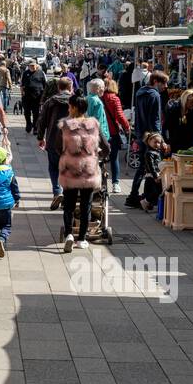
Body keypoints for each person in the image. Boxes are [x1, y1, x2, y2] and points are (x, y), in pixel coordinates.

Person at [59, 94, 108, 253]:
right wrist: (97, 154)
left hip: (70, 171)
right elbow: (107, 147)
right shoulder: (94, 124)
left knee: (69, 205)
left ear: (73, 107)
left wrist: (65, 155)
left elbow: (54, 146)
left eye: (69, 106)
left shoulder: (65, 126)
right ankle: (81, 239)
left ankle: (68, 235)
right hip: (88, 170)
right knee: (86, 205)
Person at [127, 71, 166, 207]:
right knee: (150, 166)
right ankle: (138, 196)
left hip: (141, 132)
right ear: (155, 82)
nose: (165, 86)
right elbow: (155, 118)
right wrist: (159, 138)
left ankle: (137, 195)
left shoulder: (140, 93)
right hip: (151, 135)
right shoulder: (155, 95)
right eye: (163, 83)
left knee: (144, 166)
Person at [36, 77, 74, 210]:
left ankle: (57, 192)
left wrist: (40, 137)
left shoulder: (50, 101)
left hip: (53, 139)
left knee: (54, 167)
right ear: (71, 87)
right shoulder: (76, 101)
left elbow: (42, 120)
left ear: (58, 87)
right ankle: (67, 195)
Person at [100, 76, 130, 194]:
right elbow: (119, 115)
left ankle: (100, 182)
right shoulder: (114, 99)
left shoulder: (99, 98)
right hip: (112, 132)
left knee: (100, 158)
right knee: (114, 158)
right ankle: (115, 184)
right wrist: (127, 126)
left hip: (100, 133)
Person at [135, 132, 170, 211]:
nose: (157, 144)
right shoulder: (149, 153)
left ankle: (149, 204)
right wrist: (155, 176)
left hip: (156, 175)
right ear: (149, 141)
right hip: (151, 176)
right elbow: (151, 166)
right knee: (154, 191)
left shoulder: (157, 152)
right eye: (155, 142)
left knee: (156, 191)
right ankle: (145, 202)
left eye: (159, 142)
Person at [21, 61, 48, 135]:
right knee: (26, 112)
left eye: (33, 65)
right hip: (27, 97)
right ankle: (28, 124)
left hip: (37, 97)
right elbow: (22, 84)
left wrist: (44, 96)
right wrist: (22, 93)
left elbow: (45, 85)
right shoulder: (25, 73)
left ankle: (35, 128)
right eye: (31, 66)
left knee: (36, 113)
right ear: (28, 66)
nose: (32, 67)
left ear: (36, 65)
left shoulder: (41, 73)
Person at [85, 78, 111, 146]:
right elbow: (98, 122)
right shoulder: (98, 102)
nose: (104, 89)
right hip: (97, 137)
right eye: (103, 87)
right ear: (99, 88)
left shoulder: (86, 98)